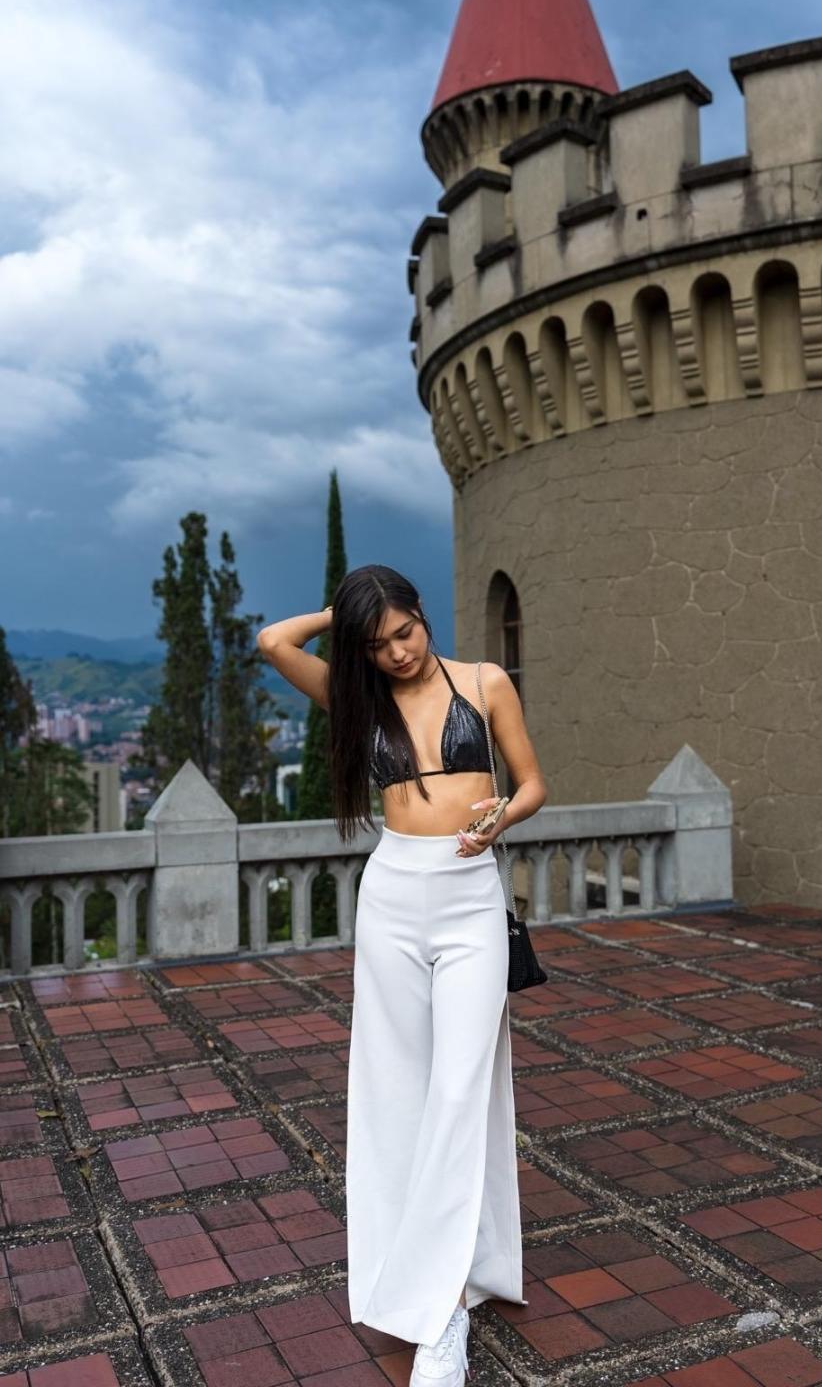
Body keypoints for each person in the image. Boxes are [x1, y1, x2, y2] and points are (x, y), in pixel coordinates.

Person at [257, 564, 547, 1387]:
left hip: (468, 897)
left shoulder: (484, 683)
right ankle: (434, 1291)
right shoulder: (360, 699)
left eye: (405, 631)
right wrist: (344, 616)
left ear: (423, 614)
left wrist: (501, 817)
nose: (397, 653)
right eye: (377, 643)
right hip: (392, 896)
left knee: (459, 1090)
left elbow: (533, 783)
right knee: (397, 1091)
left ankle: (443, 1313)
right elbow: (273, 642)